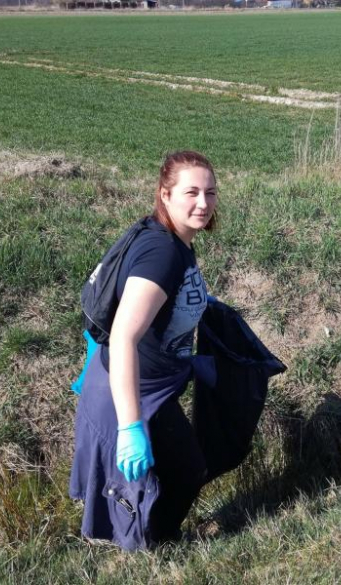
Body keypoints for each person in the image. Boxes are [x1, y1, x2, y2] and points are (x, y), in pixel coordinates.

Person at [69, 150, 218, 549]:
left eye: (210, 192)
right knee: (185, 471)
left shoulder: (165, 237)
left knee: (172, 472)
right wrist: (130, 426)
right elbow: (123, 336)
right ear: (165, 194)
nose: (203, 203)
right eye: (191, 193)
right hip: (131, 392)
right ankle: (155, 547)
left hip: (143, 385)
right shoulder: (162, 252)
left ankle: (149, 541)